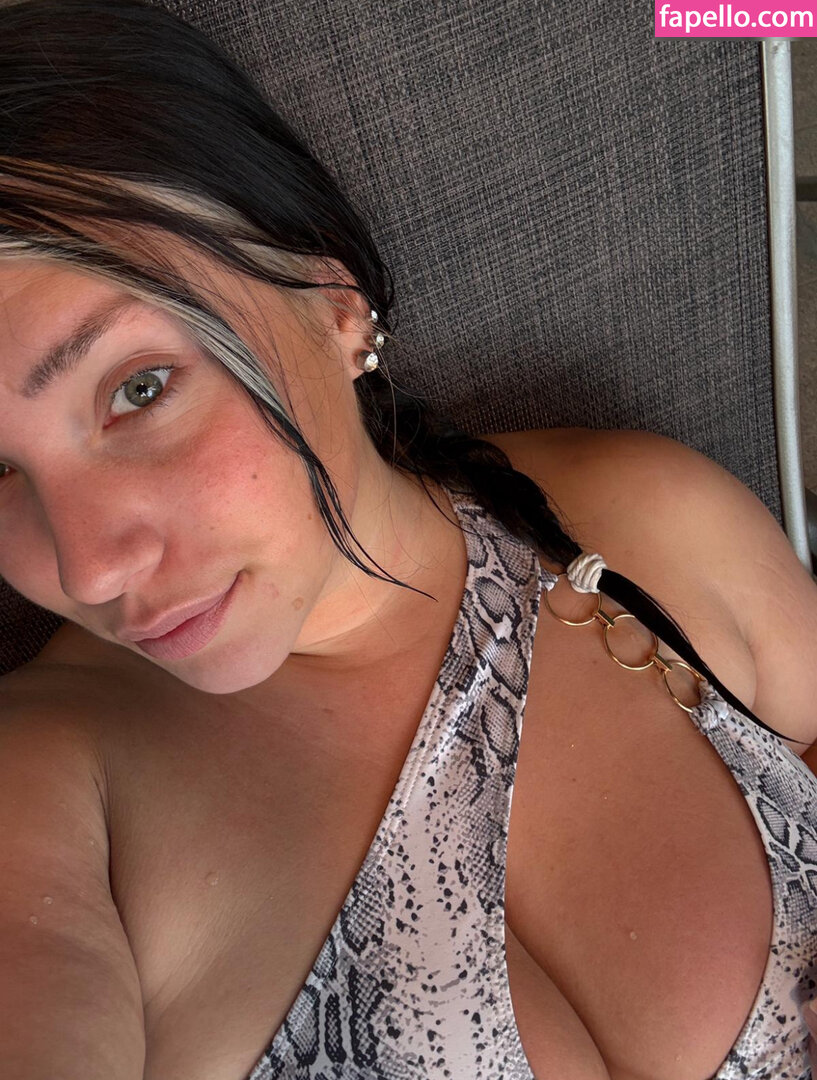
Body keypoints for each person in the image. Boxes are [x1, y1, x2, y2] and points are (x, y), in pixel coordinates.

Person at [1, 1, 817, 1078]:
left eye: (139, 389)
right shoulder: (47, 786)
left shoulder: (643, 523)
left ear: (334, 304)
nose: (88, 565)